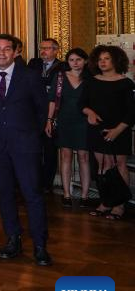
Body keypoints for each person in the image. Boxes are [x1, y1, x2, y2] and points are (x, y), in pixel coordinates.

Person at [0, 34, 52, 266]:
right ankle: (13, 239)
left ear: (15, 52)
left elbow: (41, 110)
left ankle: (40, 245)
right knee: (5, 194)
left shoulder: (30, 77)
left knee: (32, 194)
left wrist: (30, 136)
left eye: (7, 49)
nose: (1, 53)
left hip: (26, 146)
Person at [81, 45, 135, 221]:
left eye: (107, 59)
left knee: (119, 165)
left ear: (116, 61)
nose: (102, 62)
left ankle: (119, 205)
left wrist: (117, 130)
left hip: (120, 130)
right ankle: (106, 201)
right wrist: (90, 113)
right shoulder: (91, 81)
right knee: (103, 166)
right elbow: (82, 104)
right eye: (100, 59)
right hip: (97, 129)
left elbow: (132, 112)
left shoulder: (126, 83)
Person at [45, 48, 91, 208]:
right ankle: (66, 194)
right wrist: (49, 120)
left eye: (78, 59)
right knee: (66, 156)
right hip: (64, 120)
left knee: (84, 157)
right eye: (71, 60)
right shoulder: (60, 77)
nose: (75, 63)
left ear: (85, 61)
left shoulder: (90, 78)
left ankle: (85, 195)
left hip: (84, 121)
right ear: (67, 62)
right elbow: (52, 100)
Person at [28, 38, 67, 192]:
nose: (43, 51)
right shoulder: (34, 64)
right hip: (34, 113)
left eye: (47, 48)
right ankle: (34, 180)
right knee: (34, 149)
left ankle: (47, 183)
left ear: (56, 50)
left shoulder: (62, 66)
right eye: (41, 48)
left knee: (50, 150)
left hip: (54, 113)